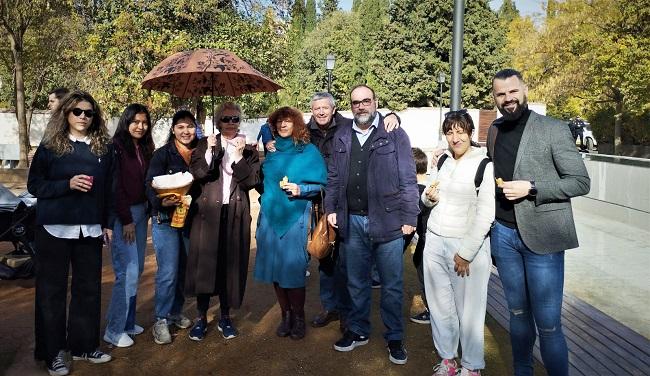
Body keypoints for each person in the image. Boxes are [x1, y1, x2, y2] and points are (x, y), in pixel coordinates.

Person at [487, 69, 590, 376]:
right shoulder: (494, 130)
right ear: (494, 97)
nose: (508, 99)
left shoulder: (553, 129)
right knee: (517, 314)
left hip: (543, 239)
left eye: (513, 91)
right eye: (501, 94)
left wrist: (531, 187)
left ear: (525, 89)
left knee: (548, 325)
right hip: (504, 235)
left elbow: (580, 182)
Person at [325, 84, 419, 365]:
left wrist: (410, 217)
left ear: (375, 102)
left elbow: (408, 179)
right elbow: (333, 179)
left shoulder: (394, 133)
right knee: (355, 282)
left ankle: (394, 337)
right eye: (356, 102)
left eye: (366, 101)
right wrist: (331, 208)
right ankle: (358, 330)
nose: (361, 106)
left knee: (391, 285)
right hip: (351, 222)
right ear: (350, 106)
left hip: (389, 221)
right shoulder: (342, 135)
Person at [28, 90, 113, 375]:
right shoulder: (50, 146)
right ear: (65, 113)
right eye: (77, 111)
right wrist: (67, 184)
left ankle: (84, 345)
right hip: (54, 229)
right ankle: (52, 353)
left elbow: (108, 190)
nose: (83, 117)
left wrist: (107, 223)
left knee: (87, 290)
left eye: (89, 113)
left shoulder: (102, 148)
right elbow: (34, 186)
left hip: (88, 229)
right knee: (51, 293)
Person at [303, 92, 400, 332]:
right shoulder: (303, 134)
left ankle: (348, 311)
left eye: (325, 107)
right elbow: (285, 140)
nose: (321, 112)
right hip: (320, 202)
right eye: (317, 108)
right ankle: (330, 306)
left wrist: (394, 116)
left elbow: (372, 121)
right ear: (312, 111)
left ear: (334, 109)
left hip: (346, 204)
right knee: (324, 256)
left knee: (347, 264)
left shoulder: (348, 126)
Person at [422, 111, 494, 376]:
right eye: (450, 132)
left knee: (470, 311)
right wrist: (429, 198)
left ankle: (472, 366)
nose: (455, 137)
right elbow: (428, 198)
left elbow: (486, 214)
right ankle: (448, 360)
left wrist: (466, 253)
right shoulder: (443, 162)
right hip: (434, 242)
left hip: (465, 248)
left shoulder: (484, 165)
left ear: (470, 133)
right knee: (440, 307)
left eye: (460, 131)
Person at [185, 102, 261, 341]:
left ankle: (225, 317)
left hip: (235, 213)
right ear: (218, 122)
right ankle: (200, 318)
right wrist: (209, 151)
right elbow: (199, 174)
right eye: (226, 119)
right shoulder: (204, 144)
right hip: (207, 213)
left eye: (235, 119)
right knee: (205, 264)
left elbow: (251, 182)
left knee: (231, 265)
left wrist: (238, 156)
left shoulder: (248, 149)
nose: (230, 123)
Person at [254, 106, 327, 340]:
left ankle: (298, 318)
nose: (283, 125)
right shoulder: (272, 153)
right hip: (269, 218)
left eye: (288, 121)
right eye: (279, 122)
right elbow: (262, 183)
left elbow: (322, 186)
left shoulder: (309, 151)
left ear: (297, 124)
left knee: (293, 270)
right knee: (276, 271)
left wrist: (302, 189)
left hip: (296, 218)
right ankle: (285, 316)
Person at [103, 104, 155, 348]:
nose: (140, 126)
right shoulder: (116, 148)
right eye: (135, 121)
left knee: (137, 270)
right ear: (126, 121)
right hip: (124, 214)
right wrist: (125, 220)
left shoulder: (143, 148)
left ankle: (127, 322)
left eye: (144, 122)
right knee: (127, 272)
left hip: (141, 211)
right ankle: (113, 330)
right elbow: (114, 187)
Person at [146, 110, 197, 345]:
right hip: (165, 220)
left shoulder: (202, 151)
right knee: (167, 272)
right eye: (181, 127)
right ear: (173, 129)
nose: (186, 131)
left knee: (183, 271)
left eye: (190, 126)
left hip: (189, 220)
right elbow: (149, 184)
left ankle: (175, 312)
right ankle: (160, 320)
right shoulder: (162, 154)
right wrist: (160, 201)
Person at [402, 147, 432, 325]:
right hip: (427, 240)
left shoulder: (415, 193)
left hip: (429, 242)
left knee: (427, 275)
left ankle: (433, 313)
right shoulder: (429, 185)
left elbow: (410, 227)